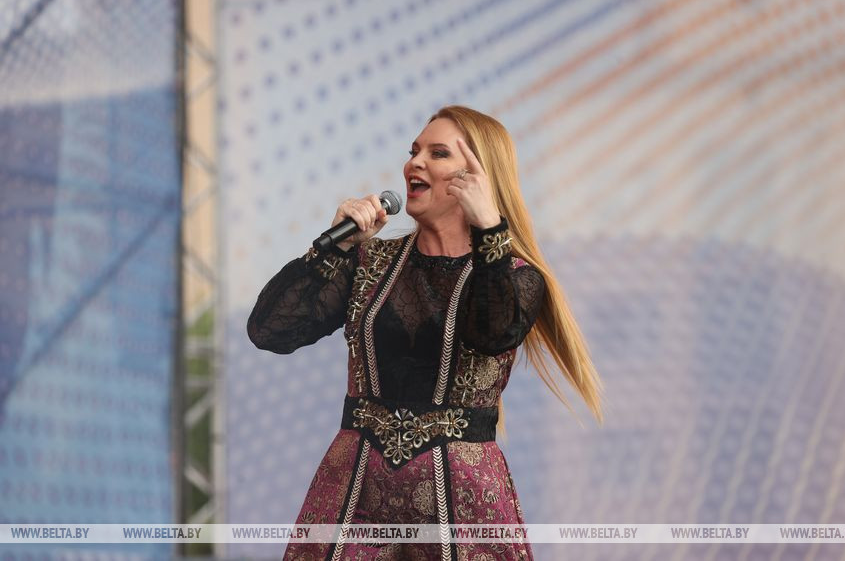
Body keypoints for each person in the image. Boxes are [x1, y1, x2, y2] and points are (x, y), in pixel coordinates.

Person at [247, 106, 603, 560]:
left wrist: (490, 228)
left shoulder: (514, 278)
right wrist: (337, 246)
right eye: (414, 151)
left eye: (437, 154)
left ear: (479, 179)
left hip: (465, 507)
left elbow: (491, 335)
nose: (414, 163)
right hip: (354, 495)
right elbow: (269, 330)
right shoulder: (369, 262)